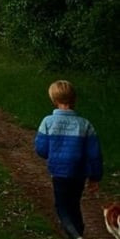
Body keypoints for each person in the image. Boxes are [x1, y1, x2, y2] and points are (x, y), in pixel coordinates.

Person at [35, 80, 103, 239]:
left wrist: (53, 154)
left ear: (54, 100)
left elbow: (41, 150)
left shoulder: (48, 122)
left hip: (59, 172)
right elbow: (95, 154)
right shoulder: (85, 124)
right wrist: (95, 177)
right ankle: (79, 232)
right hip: (79, 173)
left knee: (62, 207)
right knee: (74, 204)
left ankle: (75, 236)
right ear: (74, 99)